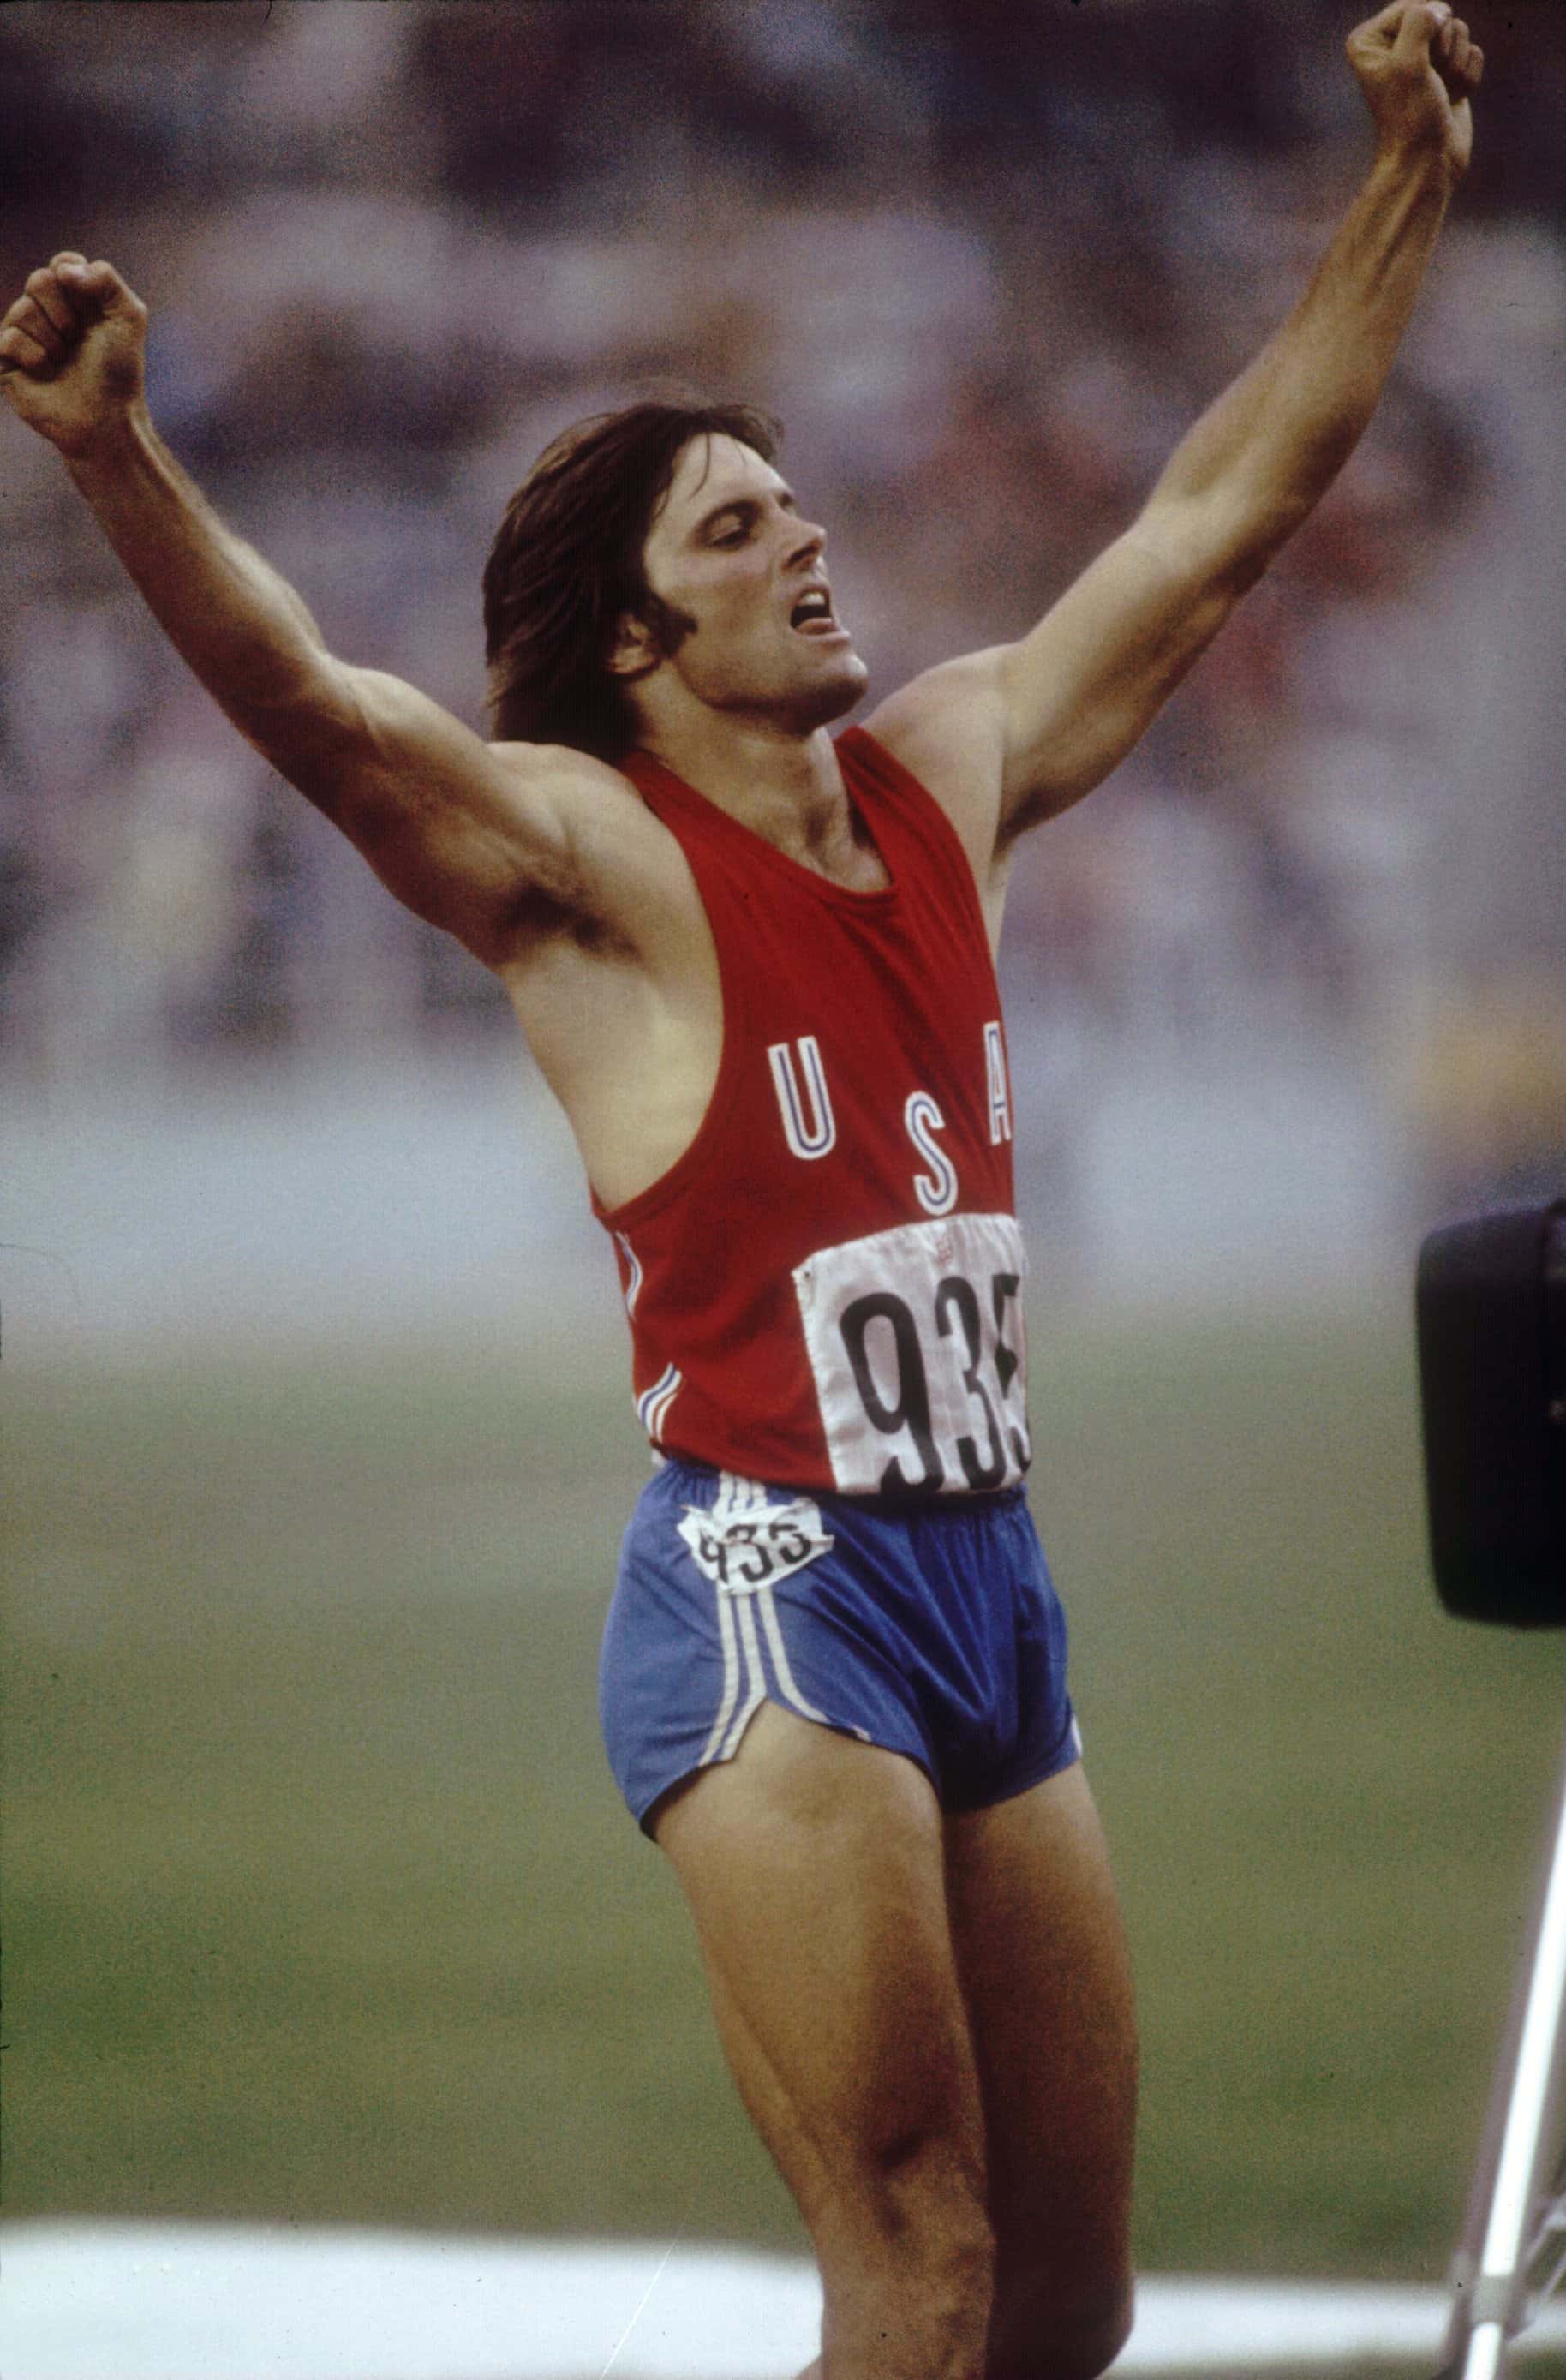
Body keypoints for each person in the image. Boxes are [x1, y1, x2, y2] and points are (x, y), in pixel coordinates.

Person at [1, 8, 1481, 2373]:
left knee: (1070, 2310)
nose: (804, 535)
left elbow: (1219, 521)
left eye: (792, 502)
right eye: (732, 527)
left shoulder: (948, 768)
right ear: (629, 636)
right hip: (777, 1598)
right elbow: (317, 712)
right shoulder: (594, 860)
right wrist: (117, 462)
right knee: (921, 2269)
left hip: (989, 1580)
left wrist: (1411, 171)